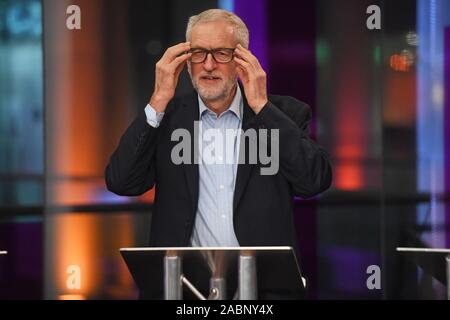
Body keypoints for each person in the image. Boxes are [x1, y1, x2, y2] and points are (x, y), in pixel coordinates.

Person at [105, 9, 332, 299]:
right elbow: (122, 182)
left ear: (242, 61)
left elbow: (314, 181)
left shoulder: (284, 114)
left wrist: (262, 107)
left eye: (221, 54)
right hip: (183, 289)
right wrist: (158, 100)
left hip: (265, 291)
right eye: (198, 53)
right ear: (186, 62)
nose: (208, 65)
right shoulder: (167, 118)